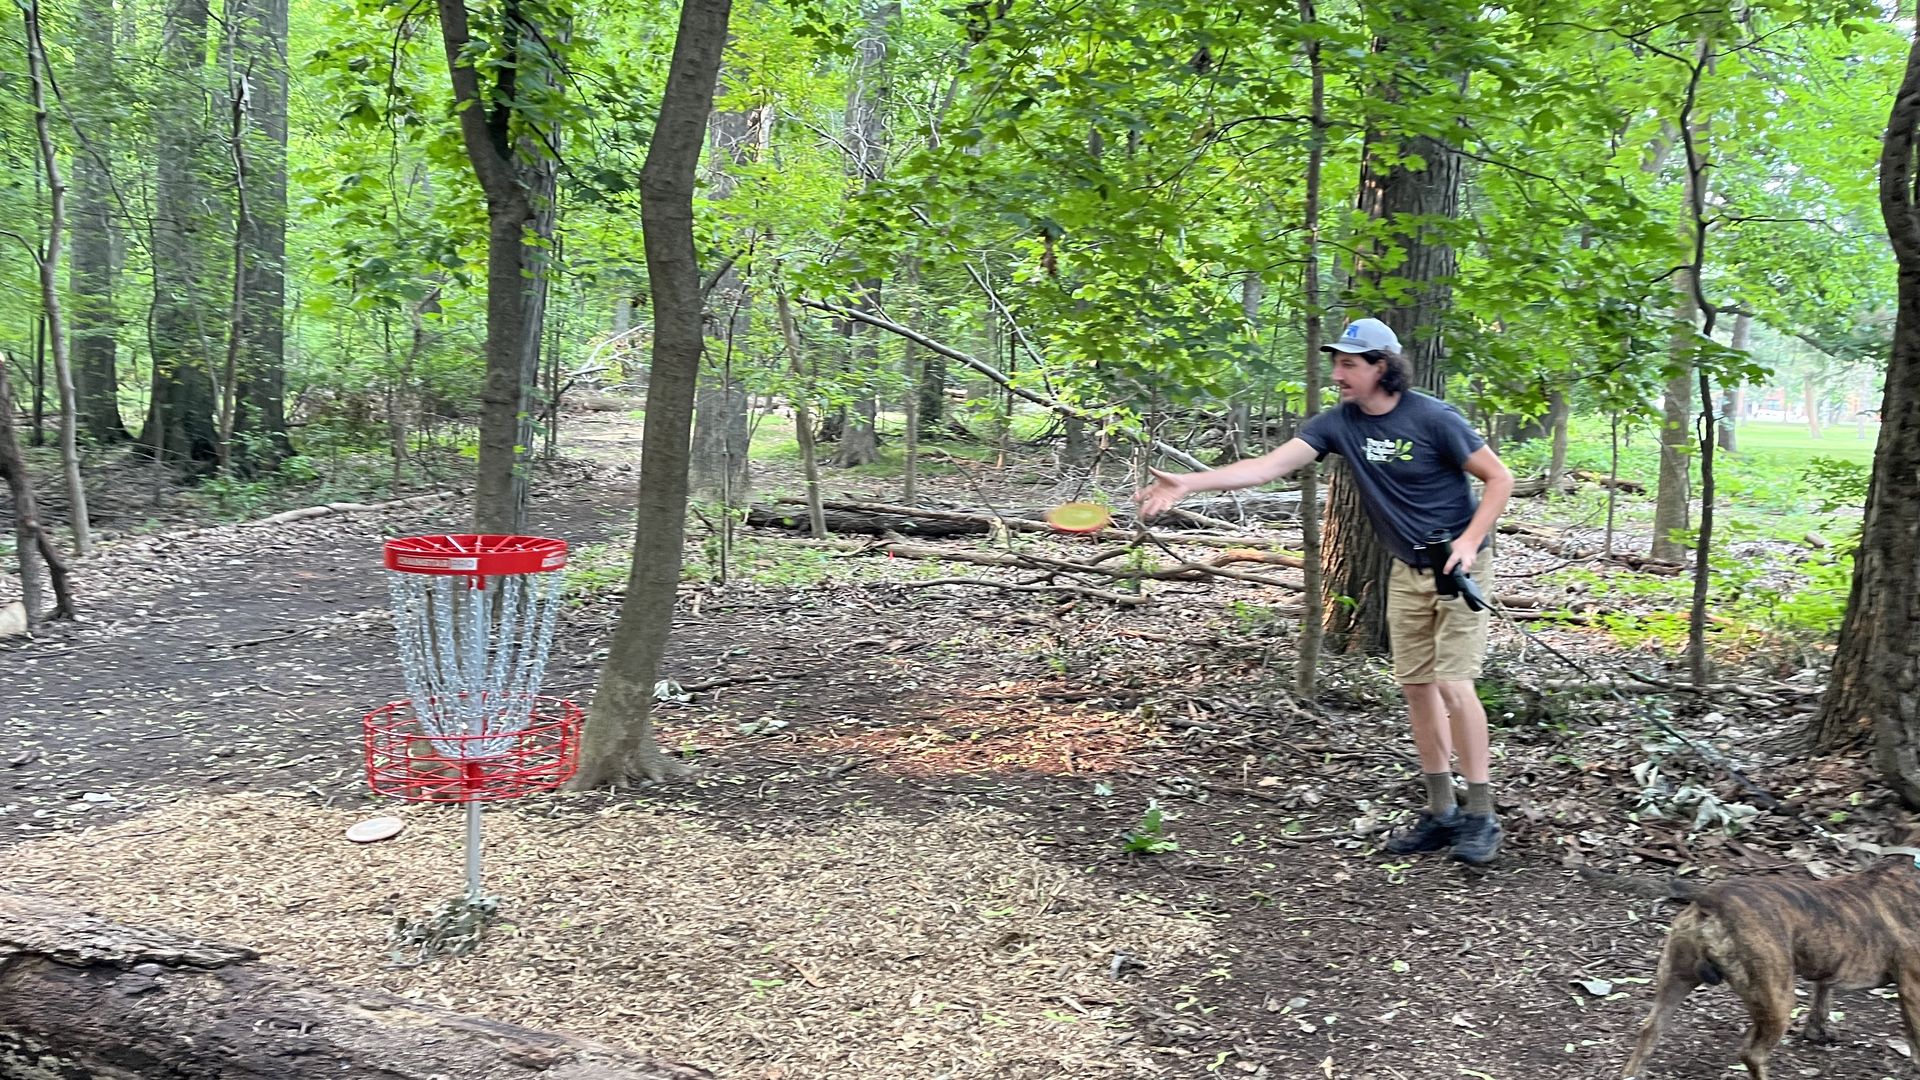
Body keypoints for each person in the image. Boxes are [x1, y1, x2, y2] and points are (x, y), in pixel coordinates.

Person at [1133, 317, 1515, 864]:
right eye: (1336, 363)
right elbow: (1267, 467)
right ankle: (1441, 811)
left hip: (1458, 569)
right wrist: (1190, 482)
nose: (1337, 374)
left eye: (1349, 364)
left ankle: (1480, 815)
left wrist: (1471, 541)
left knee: (1455, 684)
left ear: (1382, 367)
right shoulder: (1339, 423)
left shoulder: (1433, 418)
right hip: (1405, 568)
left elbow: (1499, 478)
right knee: (1416, 687)